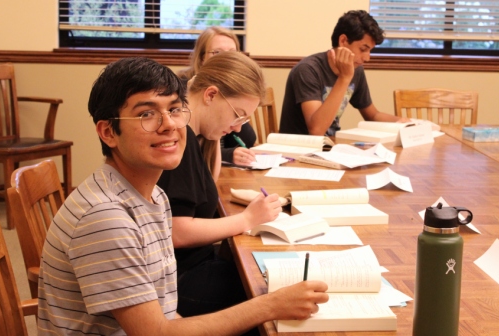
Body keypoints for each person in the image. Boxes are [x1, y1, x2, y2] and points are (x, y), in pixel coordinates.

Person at [37, 57, 329, 336]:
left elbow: (165, 311)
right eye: (146, 114)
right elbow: (156, 332)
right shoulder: (106, 219)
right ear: (108, 132)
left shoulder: (155, 196)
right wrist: (269, 305)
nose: (170, 125)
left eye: (175, 110)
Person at [157, 52, 283, 324]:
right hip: (177, 278)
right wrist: (248, 219)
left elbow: (207, 189)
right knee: (269, 297)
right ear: (210, 95)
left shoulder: (195, 134)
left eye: (243, 121)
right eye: (238, 115)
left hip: (189, 266)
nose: (236, 128)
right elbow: (177, 231)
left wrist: (215, 132)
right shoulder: (180, 139)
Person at [279, 10, 410, 136]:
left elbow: (372, 115)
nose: (367, 58)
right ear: (343, 41)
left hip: (330, 146)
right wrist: (345, 77)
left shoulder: (356, 70)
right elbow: (316, 130)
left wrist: (399, 122)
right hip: (298, 150)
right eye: (363, 49)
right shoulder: (308, 69)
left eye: (370, 51)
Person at [181, 26, 257, 167]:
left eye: (233, 54)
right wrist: (228, 154)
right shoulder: (183, 94)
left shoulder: (230, 97)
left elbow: (247, 139)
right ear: (202, 58)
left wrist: (241, 113)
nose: (228, 59)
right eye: (218, 52)